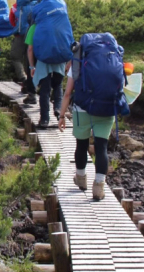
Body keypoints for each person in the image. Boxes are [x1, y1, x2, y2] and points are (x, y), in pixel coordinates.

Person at [58, 65, 115, 200]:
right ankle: (99, 186)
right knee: (102, 148)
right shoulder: (113, 55)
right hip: (106, 109)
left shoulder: (79, 59)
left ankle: (81, 178)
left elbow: (67, 93)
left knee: (81, 146)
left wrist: (61, 115)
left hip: (82, 109)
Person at [25, 23, 65, 127]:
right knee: (58, 85)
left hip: (43, 61)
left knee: (45, 89)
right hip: (59, 59)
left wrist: (32, 66)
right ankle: (58, 108)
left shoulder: (34, 27)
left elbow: (30, 49)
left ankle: (44, 120)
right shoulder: (61, 23)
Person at [10, 0, 38, 98]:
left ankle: (23, 78)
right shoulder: (38, 4)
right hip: (35, 34)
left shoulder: (16, 6)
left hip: (21, 35)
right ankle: (32, 88)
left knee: (15, 56)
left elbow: (12, 21)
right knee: (30, 61)